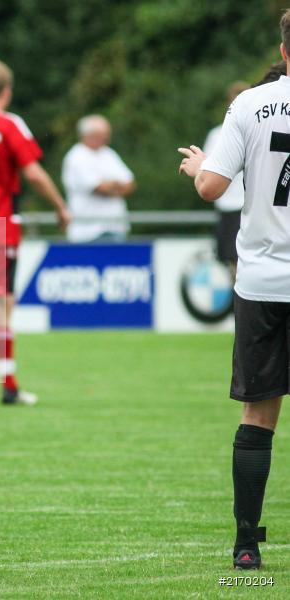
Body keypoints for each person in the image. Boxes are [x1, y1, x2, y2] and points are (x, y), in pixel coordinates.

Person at [178, 10, 290, 570]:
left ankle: (247, 544)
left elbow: (212, 187)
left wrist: (201, 165)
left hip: (263, 281)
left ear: (283, 49)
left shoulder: (250, 103)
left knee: (258, 413)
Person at [0, 58, 71, 405]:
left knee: (2, 303)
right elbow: (34, 173)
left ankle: (8, 382)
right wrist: (60, 206)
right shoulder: (9, 125)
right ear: (6, 91)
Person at [62, 115, 136, 242]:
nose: (106, 138)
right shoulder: (77, 157)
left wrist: (110, 185)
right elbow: (99, 188)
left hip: (116, 228)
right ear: (87, 135)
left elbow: (131, 184)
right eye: (101, 134)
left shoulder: (109, 154)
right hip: (87, 231)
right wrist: (117, 185)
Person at [203, 81, 249, 280]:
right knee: (233, 266)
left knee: (241, 266)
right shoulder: (217, 134)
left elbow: (205, 175)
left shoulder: (222, 134)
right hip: (230, 206)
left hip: (242, 206)